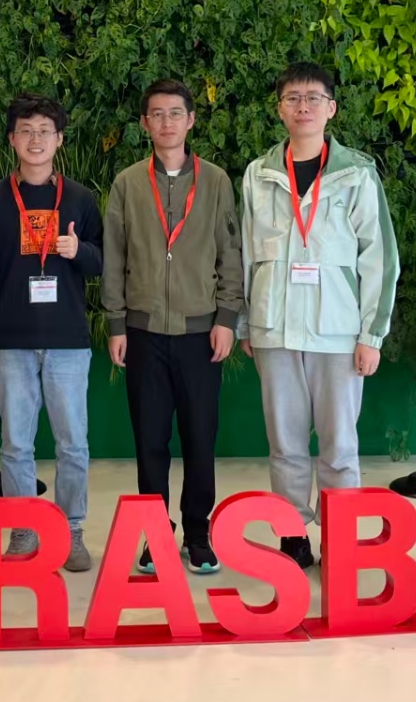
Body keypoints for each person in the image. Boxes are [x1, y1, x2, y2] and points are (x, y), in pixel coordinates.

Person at [238, 62, 400, 568]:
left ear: (331, 108)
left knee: (339, 445)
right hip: (276, 330)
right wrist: (246, 323)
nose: (302, 107)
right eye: (293, 98)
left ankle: (341, 537)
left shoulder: (357, 174)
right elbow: (245, 253)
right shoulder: (259, 174)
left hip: (338, 334)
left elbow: (379, 258)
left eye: (313, 98)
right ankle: (293, 536)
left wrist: (372, 334)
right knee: (285, 444)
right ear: (280, 109)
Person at [102, 78, 243, 575]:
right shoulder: (126, 183)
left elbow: (231, 255)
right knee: (150, 441)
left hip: (200, 334)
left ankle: (198, 533)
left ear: (191, 120)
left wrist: (226, 318)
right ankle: (156, 533)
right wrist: (116, 323)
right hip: (143, 333)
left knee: (200, 438)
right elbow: (114, 257)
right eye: (157, 114)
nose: (167, 122)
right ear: (145, 123)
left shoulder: (217, 182)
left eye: (175, 113)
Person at [0, 93, 104, 571]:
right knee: (15, 445)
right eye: (25, 131)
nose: (35, 139)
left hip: (67, 341)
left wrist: (77, 251)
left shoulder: (81, 199)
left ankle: (72, 530)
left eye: (45, 131)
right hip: (12, 342)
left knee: (73, 444)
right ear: (12, 139)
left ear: (59, 140)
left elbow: (102, 262)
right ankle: (23, 530)